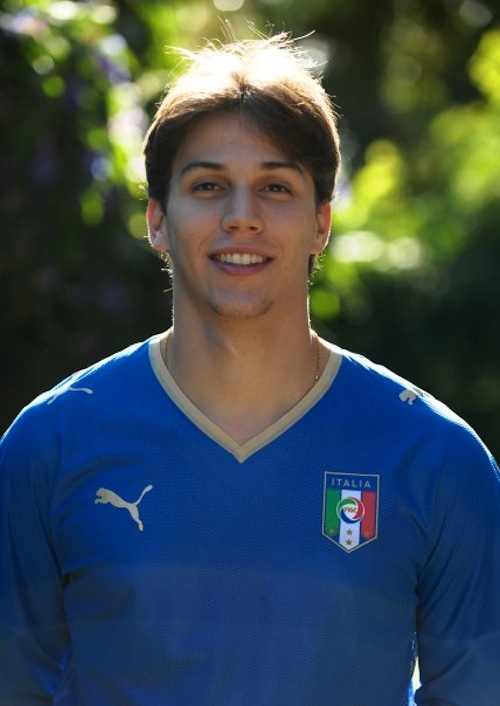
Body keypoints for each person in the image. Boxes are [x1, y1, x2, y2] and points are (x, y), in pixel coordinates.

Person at [1, 33, 499, 706]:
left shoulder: (438, 461)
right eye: (208, 186)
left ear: (321, 222)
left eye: (275, 187)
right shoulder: (48, 446)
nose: (242, 218)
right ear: (156, 218)